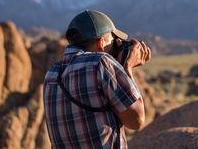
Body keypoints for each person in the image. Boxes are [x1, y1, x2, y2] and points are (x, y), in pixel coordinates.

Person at [43, 10, 151, 148]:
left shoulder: (51, 74)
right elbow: (136, 121)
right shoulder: (101, 63)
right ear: (101, 42)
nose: (116, 46)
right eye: (113, 41)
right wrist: (127, 67)